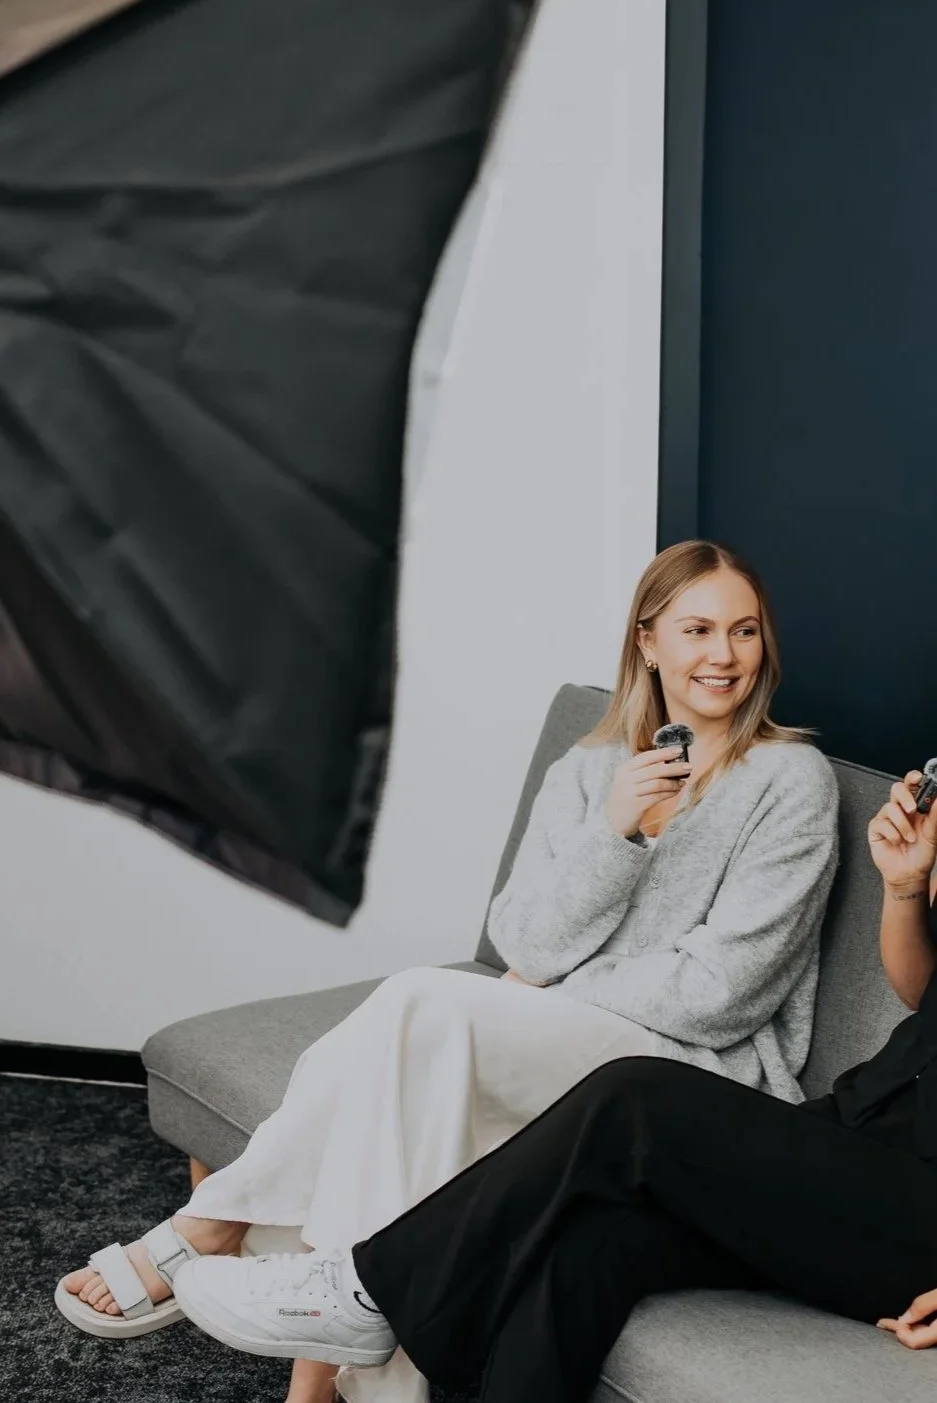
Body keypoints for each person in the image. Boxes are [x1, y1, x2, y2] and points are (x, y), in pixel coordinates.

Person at [55, 539, 839, 1403]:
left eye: (743, 631)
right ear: (647, 641)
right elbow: (524, 946)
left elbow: (722, 994)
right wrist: (612, 832)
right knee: (403, 1073)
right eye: (697, 629)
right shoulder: (589, 771)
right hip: (559, 1049)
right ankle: (348, 1367)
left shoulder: (789, 780)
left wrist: (554, 987)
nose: (722, 655)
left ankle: (214, 1228)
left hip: (692, 1081)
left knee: (423, 1005)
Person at [170, 764, 937, 1403]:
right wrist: (904, 889)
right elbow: (921, 996)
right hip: (850, 1137)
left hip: (916, 1212)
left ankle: (368, 1286)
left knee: (638, 1097)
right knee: (588, 1236)